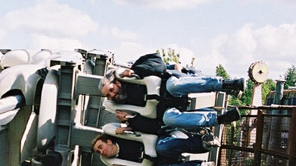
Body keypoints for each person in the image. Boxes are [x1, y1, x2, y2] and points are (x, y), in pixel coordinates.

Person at [100, 52, 252, 108]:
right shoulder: (123, 104)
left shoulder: (132, 72)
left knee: (176, 84)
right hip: (167, 106)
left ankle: (226, 85)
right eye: (108, 95)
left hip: (170, 84)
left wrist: (134, 71)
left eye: (111, 90)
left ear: (117, 82)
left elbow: (157, 64)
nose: (112, 95)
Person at [92, 134, 208, 166]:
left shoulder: (122, 137)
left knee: (162, 147)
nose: (101, 152)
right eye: (98, 152)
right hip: (156, 163)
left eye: (100, 147)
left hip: (156, 144)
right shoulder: (118, 163)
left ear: (109, 141)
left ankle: (203, 143)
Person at [113, 107, 242, 135]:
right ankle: (205, 131)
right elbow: (130, 129)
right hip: (162, 129)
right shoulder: (132, 123)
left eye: (119, 112)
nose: (120, 115)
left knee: (177, 118)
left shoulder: (136, 106)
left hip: (165, 113)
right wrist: (124, 126)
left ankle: (219, 118)